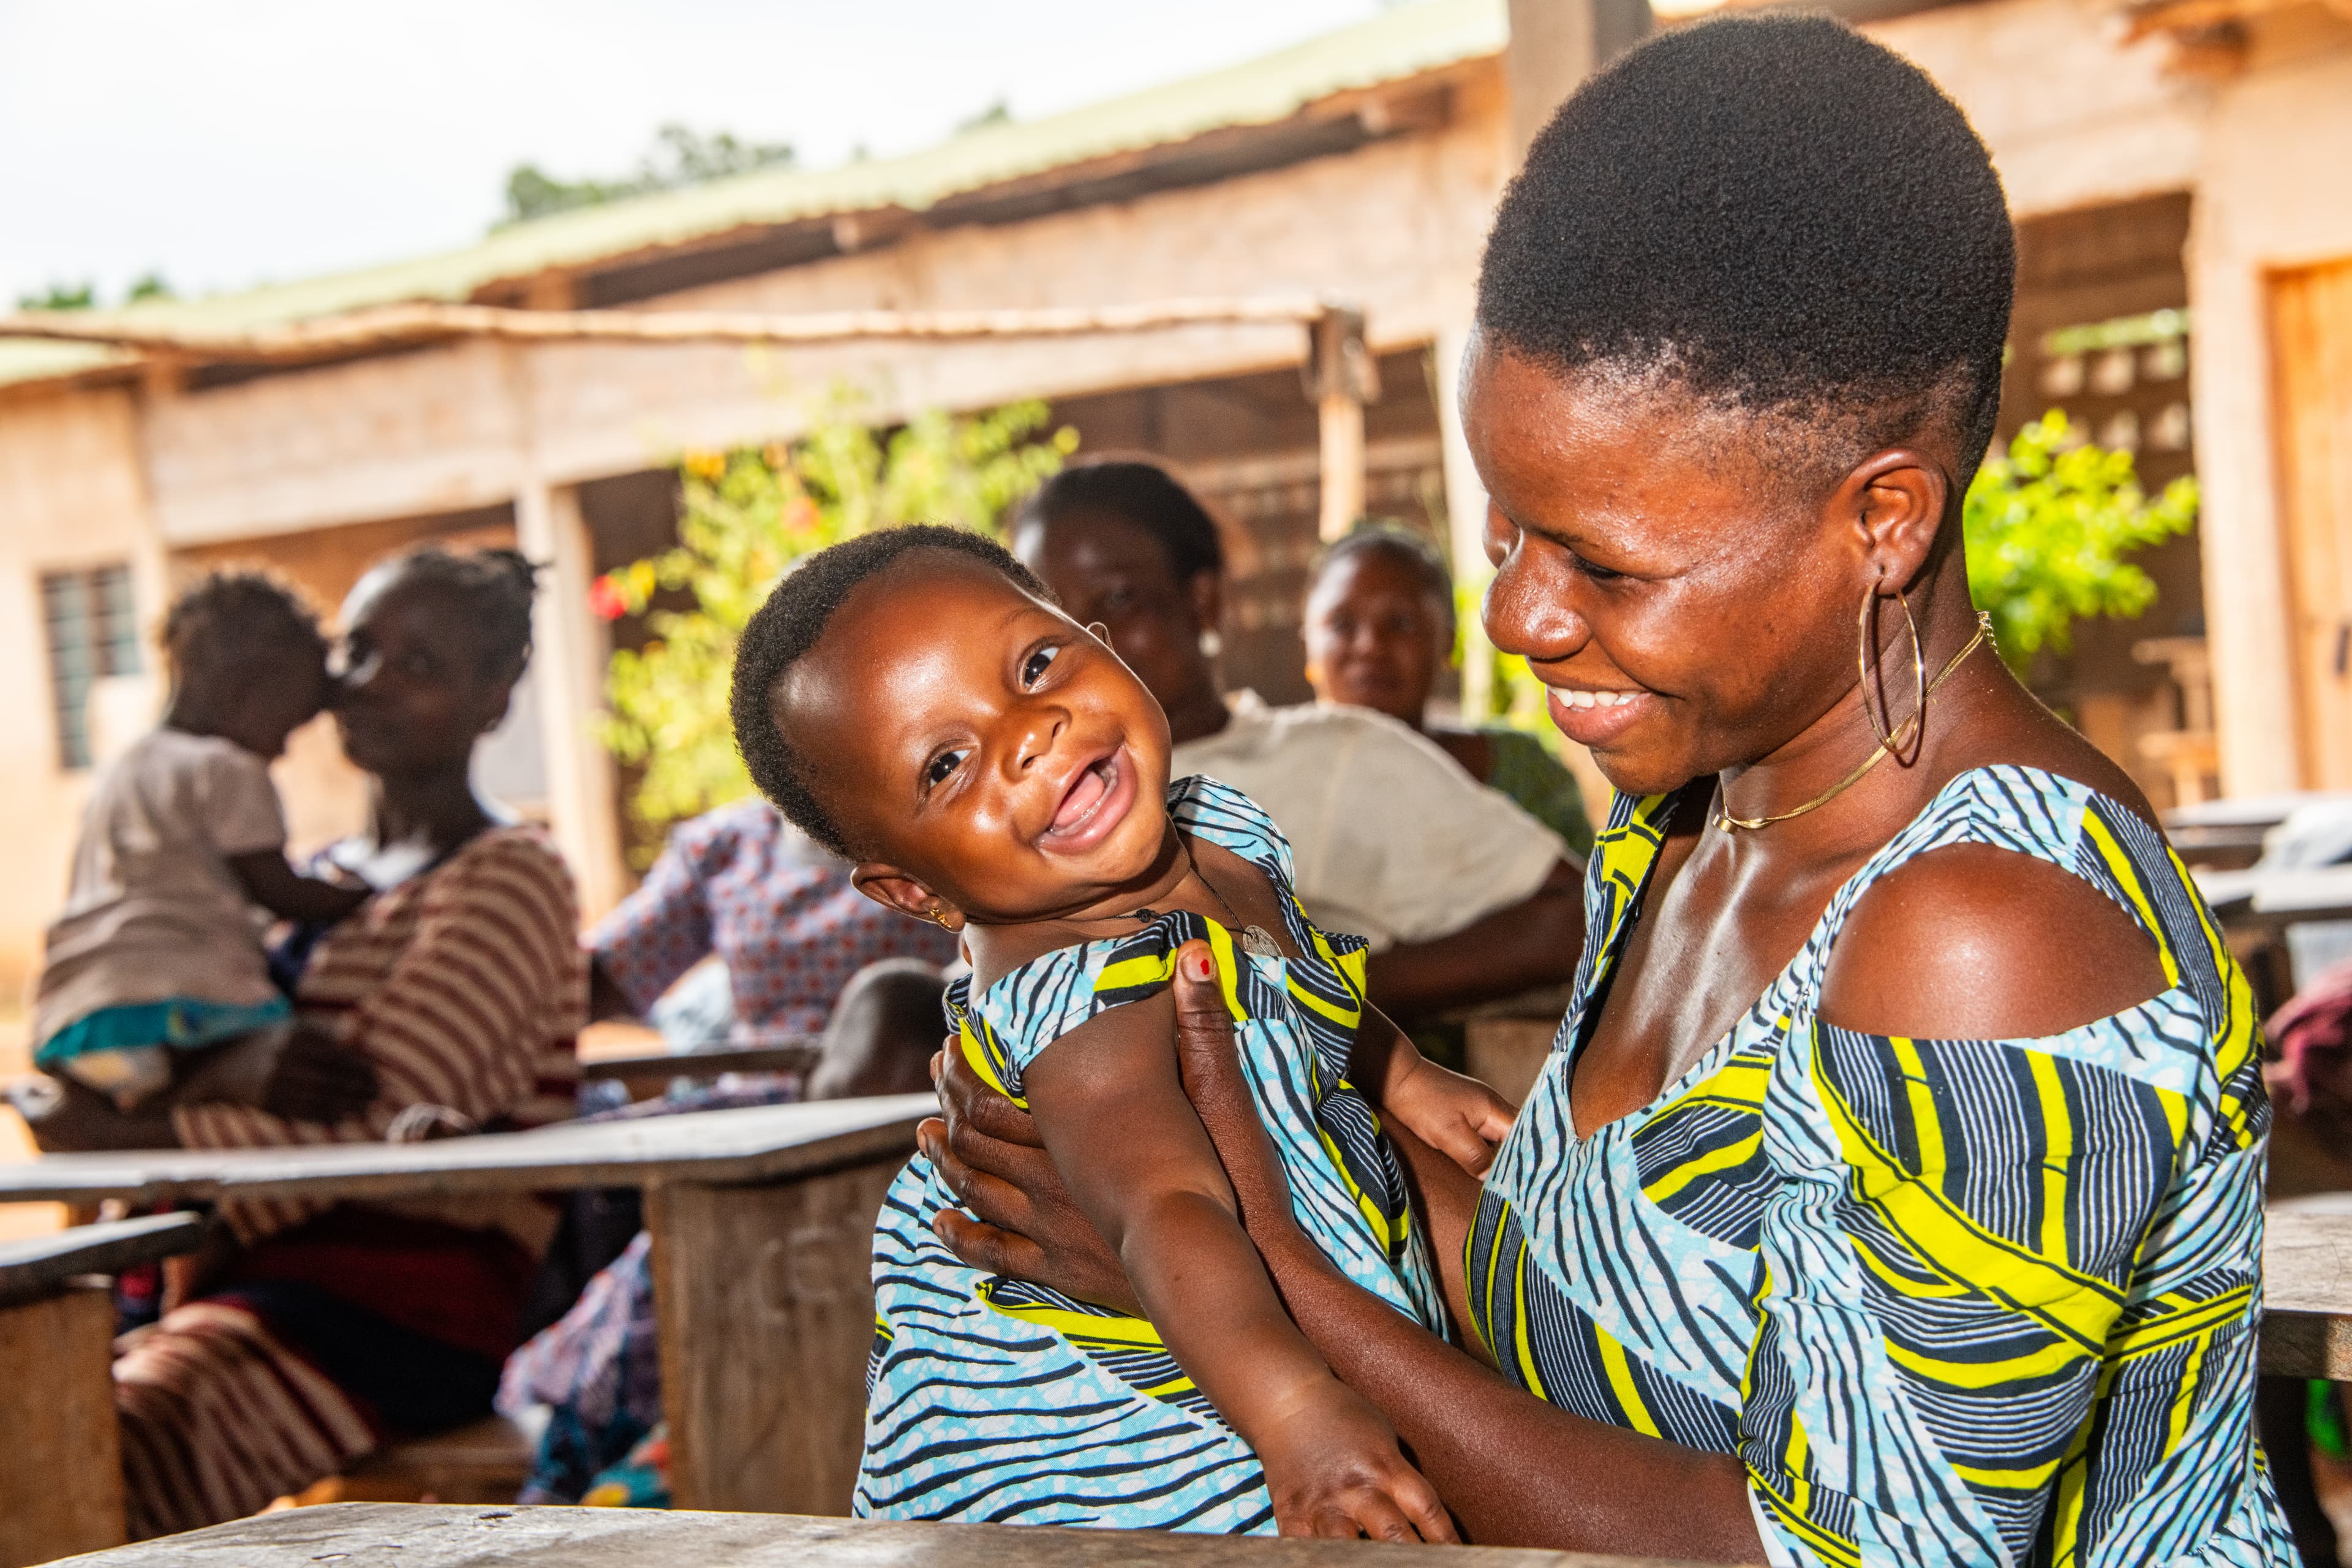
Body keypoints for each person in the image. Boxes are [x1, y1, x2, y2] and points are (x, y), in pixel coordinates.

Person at [918, 17, 2291, 1561]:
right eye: (1507, 529)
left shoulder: (1987, 933)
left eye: (1601, 563)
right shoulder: (1691, 819)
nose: (1513, 617)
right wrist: (1195, 1204)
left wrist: (1271, 1294)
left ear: (1883, 518)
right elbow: (1579, 1310)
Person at [727, 524, 1513, 1536]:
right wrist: (1296, 1413)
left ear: (1102, 641)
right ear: (913, 891)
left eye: (1036, 664)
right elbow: (1165, 1215)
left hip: (1274, 1309)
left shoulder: (1217, 838)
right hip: (1123, 1440)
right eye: (947, 765)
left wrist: (1401, 1076)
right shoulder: (1081, 1002)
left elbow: (1304, 975)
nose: (1030, 734)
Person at [18, 546, 587, 1539]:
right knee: (33, 1413)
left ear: (494, 702)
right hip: (229, 1282)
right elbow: (192, 1044)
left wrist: (131, 1132)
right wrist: (205, 1092)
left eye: (420, 666)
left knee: (95, 1450)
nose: (368, 683)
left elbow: (376, 1129)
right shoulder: (302, 885)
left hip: (386, 1310)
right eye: (357, 650)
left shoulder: (510, 880)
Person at [1010, 460, 1583, 1017]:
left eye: (1117, 600)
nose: (1085, 644)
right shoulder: (1020, 800)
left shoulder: (1335, 757)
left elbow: (1567, 917)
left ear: (1202, 602)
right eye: (1050, 623)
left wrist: (1306, 999)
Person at [31, 571, 370, 1109]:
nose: (282, 752)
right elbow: (278, 891)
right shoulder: (228, 768)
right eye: (287, 727)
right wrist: (355, 894)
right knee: (302, 1064)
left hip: (86, 1011)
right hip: (187, 1000)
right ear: (244, 693)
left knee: (124, 1130)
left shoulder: (125, 767)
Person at [1302, 524, 1593, 856]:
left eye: (1401, 623)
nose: (1371, 646)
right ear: (1306, 639)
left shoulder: (1523, 772)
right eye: (1342, 624)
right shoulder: (1272, 782)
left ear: (1449, 639)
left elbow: (1585, 899)